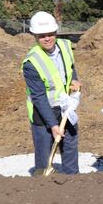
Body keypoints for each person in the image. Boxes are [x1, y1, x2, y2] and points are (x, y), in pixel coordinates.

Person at [22, 11, 81, 175]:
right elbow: (39, 97)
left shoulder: (65, 46)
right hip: (43, 114)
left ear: (55, 32)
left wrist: (74, 80)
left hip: (65, 108)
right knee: (44, 154)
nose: (47, 38)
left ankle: (73, 181)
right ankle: (43, 189)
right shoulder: (31, 62)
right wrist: (53, 125)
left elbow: (70, 68)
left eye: (50, 34)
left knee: (70, 145)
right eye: (42, 36)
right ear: (35, 36)